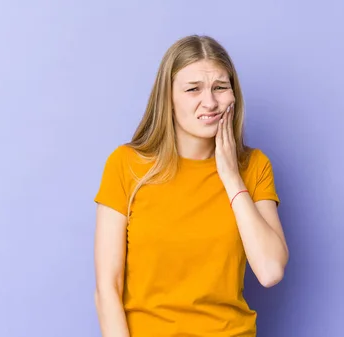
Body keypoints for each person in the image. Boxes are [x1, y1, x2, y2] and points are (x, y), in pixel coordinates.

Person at [93, 35, 289, 337]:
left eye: (220, 87)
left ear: (233, 95)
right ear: (167, 98)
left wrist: (231, 176)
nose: (209, 102)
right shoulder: (127, 165)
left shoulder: (254, 167)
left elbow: (270, 270)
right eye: (193, 89)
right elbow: (108, 288)